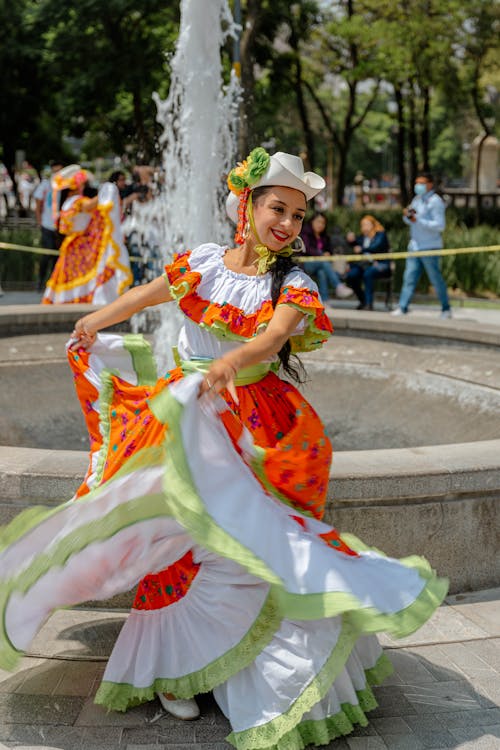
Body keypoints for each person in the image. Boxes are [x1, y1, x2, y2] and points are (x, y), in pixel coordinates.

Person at [0, 149, 447, 749]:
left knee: (253, 546)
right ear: (248, 205)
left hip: (257, 423)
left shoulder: (293, 283)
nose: (287, 223)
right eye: (277, 207)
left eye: (297, 213)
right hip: (188, 415)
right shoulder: (204, 263)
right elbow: (146, 293)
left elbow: (272, 339)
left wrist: (232, 360)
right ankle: (174, 671)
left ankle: (244, 664)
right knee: (180, 537)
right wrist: (95, 318)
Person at [42, 165, 133, 304]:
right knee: (83, 273)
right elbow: (90, 205)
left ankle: (70, 300)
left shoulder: (66, 203)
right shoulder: (78, 201)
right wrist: (107, 190)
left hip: (71, 245)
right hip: (82, 246)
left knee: (70, 276)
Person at [391, 172, 452, 318]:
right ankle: (403, 307)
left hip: (430, 247)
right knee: (409, 278)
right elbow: (410, 219)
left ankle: (446, 309)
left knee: (435, 280)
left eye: (422, 183)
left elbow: (439, 225)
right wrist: (408, 217)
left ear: (430, 184)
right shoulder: (417, 199)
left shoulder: (435, 201)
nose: (418, 186)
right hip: (415, 246)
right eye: (417, 182)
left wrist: (417, 220)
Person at [300, 212, 353, 303]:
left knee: (322, 272)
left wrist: (328, 253)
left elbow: (329, 250)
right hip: (305, 264)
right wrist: (321, 254)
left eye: (323, 223)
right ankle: (338, 286)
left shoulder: (324, 237)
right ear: (312, 221)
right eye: (318, 222)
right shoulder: (305, 233)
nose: (320, 225)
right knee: (323, 263)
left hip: (320, 266)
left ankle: (324, 301)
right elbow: (306, 248)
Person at [344, 215, 391, 310]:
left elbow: (375, 247)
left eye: (366, 224)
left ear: (373, 224)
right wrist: (351, 240)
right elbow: (355, 243)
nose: (364, 227)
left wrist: (362, 249)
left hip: (381, 265)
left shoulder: (380, 235)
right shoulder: (363, 237)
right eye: (362, 225)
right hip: (364, 266)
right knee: (352, 275)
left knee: (368, 273)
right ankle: (363, 300)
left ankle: (369, 304)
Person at [33, 161, 64, 290]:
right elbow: (38, 204)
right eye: (56, 171)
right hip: (47, 224)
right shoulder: (46, 185)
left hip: (61, 226)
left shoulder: (65, 186)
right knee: (47, 254)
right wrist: (40, 222)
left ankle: (52, 283)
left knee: (57, 256)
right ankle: (40, 281)